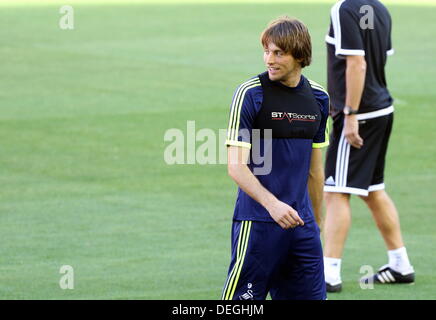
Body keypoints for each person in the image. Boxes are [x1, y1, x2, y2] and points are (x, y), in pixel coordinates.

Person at [221, 17, 330, 300]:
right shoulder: (250, 94)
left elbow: (315, 171)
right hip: (258, 224)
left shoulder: (319, 98)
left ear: (300, 55)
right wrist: (272, 205)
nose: (269, 59)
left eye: (278, 53)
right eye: (266, 51)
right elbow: (236, 166)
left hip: (301, 226)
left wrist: (316, 223)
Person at [323, 0, 414, 292]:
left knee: (336, 190)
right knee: (373, 190)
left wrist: (349, 113)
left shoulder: (343, 9)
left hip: (360, 115)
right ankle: (400, 264)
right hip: (381, 109)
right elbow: (377, 59)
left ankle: (328, 273)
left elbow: (357, 63)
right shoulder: (381, 9)